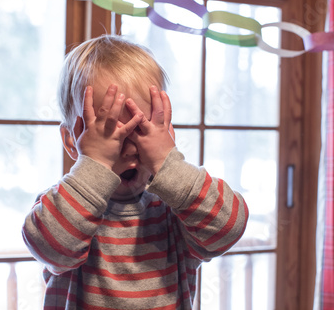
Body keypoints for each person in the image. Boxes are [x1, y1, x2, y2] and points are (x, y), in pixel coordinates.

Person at [22, 35, 248, 310]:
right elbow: (51, 248)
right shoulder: (66, 208)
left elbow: (229, 227)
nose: (129, 149)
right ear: (72, 140)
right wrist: (95, 164)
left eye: (141, 130)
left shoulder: (177, 212)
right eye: (108, 133)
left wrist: (168, 162)